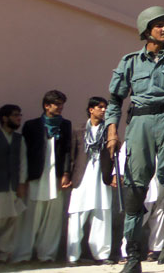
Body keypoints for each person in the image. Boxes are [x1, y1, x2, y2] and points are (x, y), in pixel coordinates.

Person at [104, 6, 164, 272]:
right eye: (159, 25)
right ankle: (133, 258)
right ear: (146, 30)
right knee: (134, 190)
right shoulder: (129, 62)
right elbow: (115, 100)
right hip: (140, 123)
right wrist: (112, 131)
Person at [16, 89, 72, 264]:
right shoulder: (31, 126)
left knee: (53, 218)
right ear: (47, 105)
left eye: (62, 104)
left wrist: (66, 173)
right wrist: (23, 179)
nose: (60, 107)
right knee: (30, 217)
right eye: (57, 104)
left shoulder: (65, 125)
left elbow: (67, 150)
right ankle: (23, 255)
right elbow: (24, 153)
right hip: (36, 176)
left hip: (56, 176)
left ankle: (47, 255)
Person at [67, 97, 114, 265]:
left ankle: (101, 255)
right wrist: (66, 174)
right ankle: (73, 256)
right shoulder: (78, 130)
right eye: (100, 107)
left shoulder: (109, 130)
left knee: (102, 214)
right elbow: (70, 154)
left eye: (105, 107)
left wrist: (115, 174)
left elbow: (115, 154)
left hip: (101, 176)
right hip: (82, 177)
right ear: (91, 109)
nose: (103, 110)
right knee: (77, 215)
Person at [0, 105, 26, 263]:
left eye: (19, 115)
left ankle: (3, 254)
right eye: (15, 115)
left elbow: (23, 162)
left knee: (11, 219)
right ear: (4, 118)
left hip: (13, 186)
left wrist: (21, 183)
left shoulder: (19, 139)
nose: (19, 118)